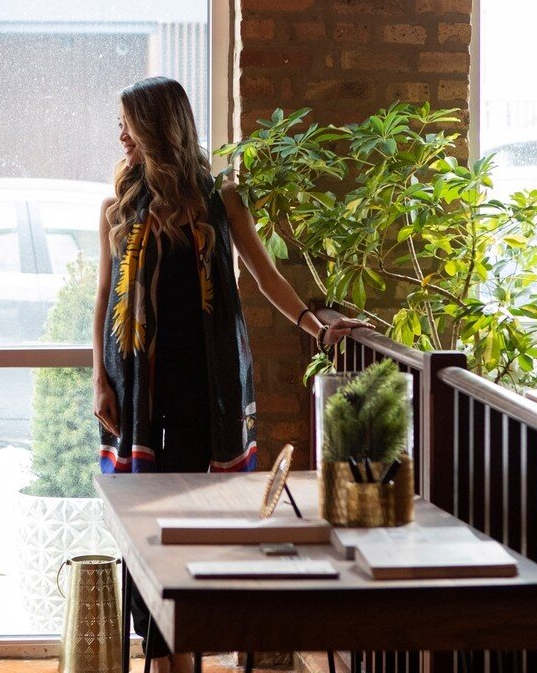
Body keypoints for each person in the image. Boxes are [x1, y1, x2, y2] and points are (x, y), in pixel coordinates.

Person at [92, 76, 365, 673]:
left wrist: (315, 324)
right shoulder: (118, 208)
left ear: (159, 127)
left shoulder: (221, 201)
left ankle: (185, 655)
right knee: (145, 533)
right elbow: (104, 297)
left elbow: (266, 277)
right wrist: (99, 377)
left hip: (204, 395)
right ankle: (166, 661)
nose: (121, 135)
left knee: (199, 531)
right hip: (139, 393)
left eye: (129, 124)